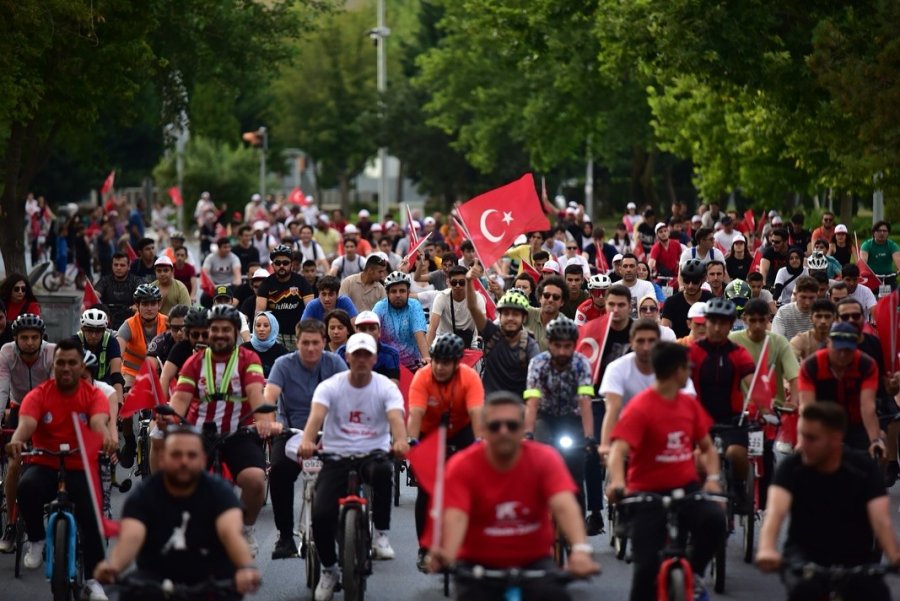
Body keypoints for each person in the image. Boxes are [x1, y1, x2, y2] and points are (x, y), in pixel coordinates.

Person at [427, 391, 600, 600]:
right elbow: (457, 516)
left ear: (523, 428)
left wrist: (580, 550)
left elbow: (564, 505)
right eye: (494, 426)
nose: (503, 432)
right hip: (477, 566)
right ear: (482, 430)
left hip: (534, 563)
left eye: (512, 425)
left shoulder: (545, 459)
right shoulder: (462, 465)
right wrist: (448, 553)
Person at [606, 341, 726, 601]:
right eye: (688, 368)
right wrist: (617, 482)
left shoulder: (689, 405)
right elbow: (617, 450)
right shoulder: (641, 407)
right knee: (646, 571)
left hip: (687, 490)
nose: (690, 373)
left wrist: (714, 480)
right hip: (647, 496)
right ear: (677, 371)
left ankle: (693, 574)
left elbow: (707, 448)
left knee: (715, 521)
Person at [299, 333, 409, 601]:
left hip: (373, 454)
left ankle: (381, 535)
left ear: (374, 358)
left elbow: (395, 418)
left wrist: (401, 441)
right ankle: (328, 569)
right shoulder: (330, 386)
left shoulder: (385, 387)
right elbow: (316, 417)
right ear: (347, 357)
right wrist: (306, 440)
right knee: (322, 515)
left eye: (366, 355)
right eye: (355, 354)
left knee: (384, 472)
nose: (361, 359)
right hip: (336, 456)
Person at [167, 304, 281, 558]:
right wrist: (169, 417)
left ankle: (247, 528)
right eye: (214, 330)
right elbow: (181, 400)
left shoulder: (249, 359)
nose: (219, 335)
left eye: (226, 330)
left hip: (236, 434)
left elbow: (255, 393)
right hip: (198, 435)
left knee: (255, 479)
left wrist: (265, 421)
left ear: (235, 333)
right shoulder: (194, 362)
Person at [755, 403, 900, 601]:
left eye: (811, 438)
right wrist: (767, 548)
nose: (802, 445)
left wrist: (894, 554)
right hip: (804, 556)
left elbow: (881, 520)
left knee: (877, 594)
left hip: (856, 559)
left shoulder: (863, 469)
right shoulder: (792, 467)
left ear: (835, 438)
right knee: (804, 590)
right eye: (801, 436)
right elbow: (775, 513)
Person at [5, 338, 113, 601]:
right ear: (52, 366)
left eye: (72, 363)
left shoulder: (94, 395)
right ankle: (37, 539)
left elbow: (99, 421)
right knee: (26, 487)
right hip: (44, 462)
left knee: (94, 517)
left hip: (81, 466)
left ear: (80, 366)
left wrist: (108, 438)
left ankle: (92, 580)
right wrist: (18, 439)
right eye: (60, 363)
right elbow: (27, 424)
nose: (66, 368)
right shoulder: (39, 395)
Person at [94, 425, 260, 596]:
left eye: (191, 455)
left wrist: (246, 566)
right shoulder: (144, 494)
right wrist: (113, 566)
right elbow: (131, 537)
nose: (184, 461)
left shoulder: (220, 492)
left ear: (203, 459)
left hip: (212, 580)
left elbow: (231, 533)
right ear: (162, 458)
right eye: (176, 455)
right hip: (156, 581)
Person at [264, 319, 348, 560]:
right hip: (290, 433)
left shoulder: (335, 363)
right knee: (279, 470)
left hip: (329, 434)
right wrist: (270, 422)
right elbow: (269, 395)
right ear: (297, 343)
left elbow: (349, 395)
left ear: (324, 342)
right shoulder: (283, 364)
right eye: (305, 343)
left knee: (346, 473)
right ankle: (285, 537)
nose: (311, 348)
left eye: (316, 343)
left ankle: (349, 526)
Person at [407, 333, 484, 571]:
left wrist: (481, 442)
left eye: (446, 362)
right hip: (429, 433)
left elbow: (477, 415)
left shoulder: (469, 377)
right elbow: (415, 415)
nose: (439, 367)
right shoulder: (422, 377)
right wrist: (410, 442)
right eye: (437, 361)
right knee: (425, 490)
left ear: (457, 363)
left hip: (461, 430)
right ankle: (424, 548)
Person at [687, 298, 756, 509]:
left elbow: (752, 383)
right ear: (705, 322)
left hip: (732, 418)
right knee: (697, 461)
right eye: (713, 322)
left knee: (737, 454)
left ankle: (738, 488)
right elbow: (678, 383)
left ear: (731, 324)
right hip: (698, 419)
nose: (717, 328)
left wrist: (763, 406)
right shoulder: (692, 352)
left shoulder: (738, 353)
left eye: (723, 323)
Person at [523, 315, 595, 510]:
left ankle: (578, 532)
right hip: (545, 416)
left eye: (567, 346)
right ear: (549, 343)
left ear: (574, 345)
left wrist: (589, 436)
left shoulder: (581, 363)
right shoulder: (538, 363)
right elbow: (532, 402)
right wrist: (528, 434)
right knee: (538, 464)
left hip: (572, 418)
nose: (562, 351)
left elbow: (585, 400)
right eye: (557, 345)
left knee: (576, 475)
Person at [0, 314, 57, 552]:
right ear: (15, 339)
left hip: (46, 411)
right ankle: (12, 524)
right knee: (14, 465)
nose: (30, 342)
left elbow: (57, 390)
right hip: (19, 408)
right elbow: (2, 389)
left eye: (35, 338)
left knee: (53, 461)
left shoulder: (52, 352)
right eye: (24, 338)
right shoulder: (6, 353)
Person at [598, 319, 696, 456]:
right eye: (640, 341)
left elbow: (688, 404)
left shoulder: (675, 368)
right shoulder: (616, 368)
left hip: (667, 437)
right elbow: (612, 409)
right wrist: (605, 445)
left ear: (659, 342)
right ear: (631, 342)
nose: (646, 347)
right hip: (628, 437)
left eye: (651, 341)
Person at [797, 322, 882, 455]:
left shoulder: (866, 365)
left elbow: (868, 407)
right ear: (828, 343)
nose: (842, 355)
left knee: (875, 457)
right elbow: (807, 408)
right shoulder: (811, 366)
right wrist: (804, 440)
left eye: (847, 350)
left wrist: (875, 440)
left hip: (858, 425)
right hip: (823, 423)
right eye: (838, 349)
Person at [256, 244, 315, 349]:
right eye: (277, 263)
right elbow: (259, 312)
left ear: (291, 264)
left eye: (285, 262)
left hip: (298, 335)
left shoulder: (302, 282)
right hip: (274, 337)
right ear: (272, 265)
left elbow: (311, 309)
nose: (281, 266)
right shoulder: (266, 284)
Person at [373, 271, 430, 369]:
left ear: (408, 292)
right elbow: (371, 332)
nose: (398, 295)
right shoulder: (380, 307)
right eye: (394, 291)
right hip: (386, 364)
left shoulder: (414, 305)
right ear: (387, 293)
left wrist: (426, 358)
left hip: (413, 364)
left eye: (402, 291)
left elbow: (420, 335)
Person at [117, 284, 168, 386]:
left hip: (161, 375)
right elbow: (117, 354)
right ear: (137, 305)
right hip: (131, 375)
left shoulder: (168, 323)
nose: (149, 308)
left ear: (159, 305)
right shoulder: (128, 325)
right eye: (144, 304)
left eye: (153, 304)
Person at [426, 265, 484, 349]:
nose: (457, 286)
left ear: (467, 282)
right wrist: (427, 356)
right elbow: (432, 329)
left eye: (461, 282)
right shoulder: (441, 297)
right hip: (444, 341)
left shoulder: (477, 298)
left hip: (470, 342)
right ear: (449, 282)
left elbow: (483, 326)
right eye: (454, 283)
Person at [661, 259, 713, 339]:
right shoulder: (671, 302)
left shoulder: (711, 301)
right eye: (686, 281)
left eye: (695, 282)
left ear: (703, 280)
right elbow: (664, 332)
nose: (690, 286)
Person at [95, 252, 144, 330]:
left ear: (128, 267)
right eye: (116, 265)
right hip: (107, 319)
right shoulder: (105, 280)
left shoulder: (136, 280)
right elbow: (95, 295)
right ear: (112, 266)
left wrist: (137, 306)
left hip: (130, 319)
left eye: (122, 265)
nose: (118, 268)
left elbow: (144, 296)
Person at [241, 311, 288, 378]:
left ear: (273, 328)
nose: (261, 329)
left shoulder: (281, 351)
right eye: (258, 325)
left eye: (266, 326)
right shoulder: (244, 349)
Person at [772, 276, 819, 341]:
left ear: (817, 296)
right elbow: (776, 339)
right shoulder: (783, 312)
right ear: (795, 295)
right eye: (803, 297)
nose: (807, 302)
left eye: (811, 298)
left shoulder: (822, 312)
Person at [860, 220, 900, 290]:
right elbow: (863, 262)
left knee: (894, 296)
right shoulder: (866, 245)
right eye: (879, 231)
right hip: (872, 278)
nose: (882, 233)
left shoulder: (893, 245)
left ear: (888, 233)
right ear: (874, 232)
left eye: (885, 231)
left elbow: (898, 259)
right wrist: (863, 271)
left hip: (888, 278)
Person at [201, 237, 242, 304]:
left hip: (229, 286)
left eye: (229, 247)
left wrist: (236, 282)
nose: (228, 249)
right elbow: (205, 273)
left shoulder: (234, 258)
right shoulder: (210, 258)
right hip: (214, 286)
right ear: (219, 247)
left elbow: (237, 276)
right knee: (204, 299)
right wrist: (211, 285)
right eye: (225, 247)